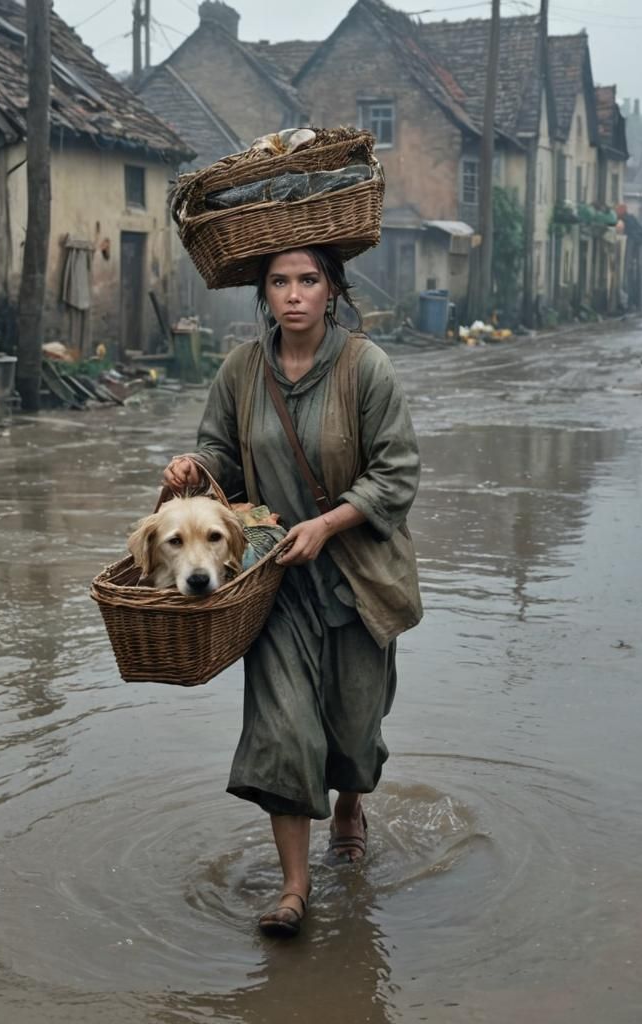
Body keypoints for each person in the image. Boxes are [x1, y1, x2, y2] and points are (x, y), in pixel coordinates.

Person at [162, 245, 422, 938]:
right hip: (276, 586)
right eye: (280, 282)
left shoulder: (367, 368)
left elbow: (397, 474)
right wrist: (195, 466)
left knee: (353, 736)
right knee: (283, 734)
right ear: (264, 294)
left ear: (333, 290)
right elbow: (220, 457)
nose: (295, 295)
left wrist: (329, 523)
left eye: (309, 280)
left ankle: (348, 806)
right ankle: (294, 890)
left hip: (357, 581)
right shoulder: (240, 371)